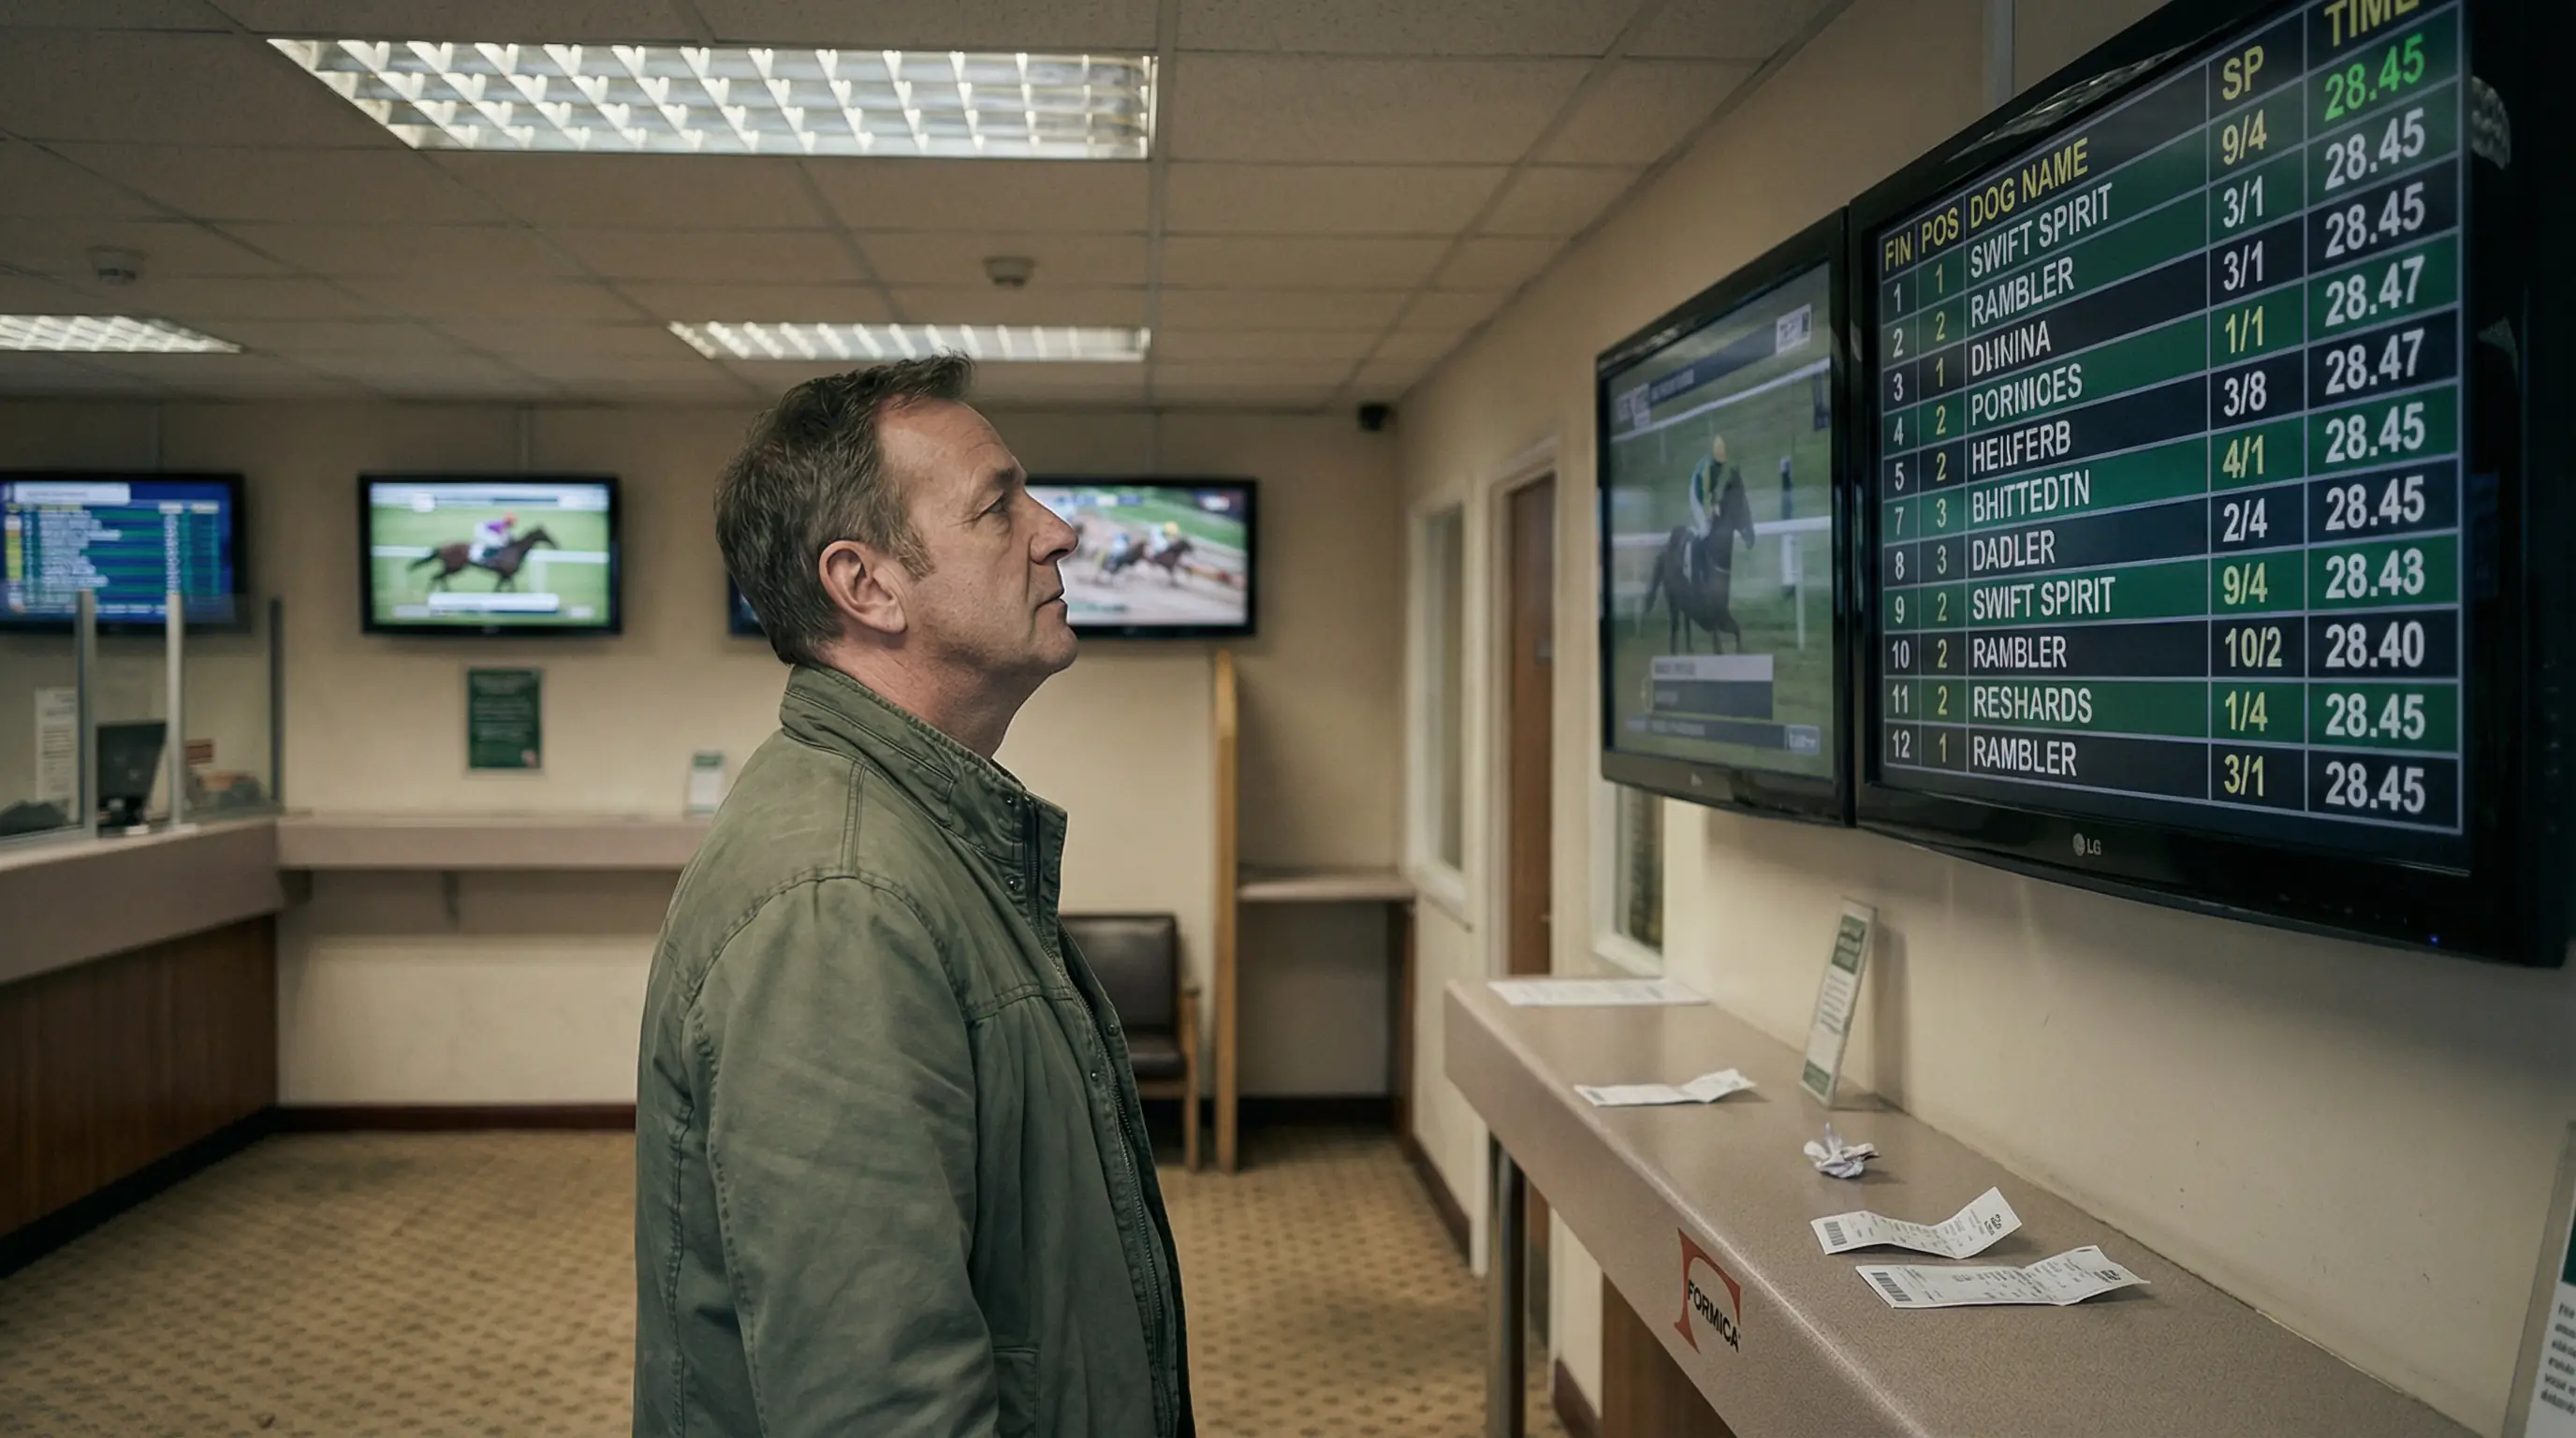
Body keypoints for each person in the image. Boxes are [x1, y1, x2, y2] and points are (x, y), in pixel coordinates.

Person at [634, 354, 1193, 1438]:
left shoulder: (912, 834)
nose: (1057, 531)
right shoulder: (837, 900)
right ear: (866, 585)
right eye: (998, 506)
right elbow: (876, 1399)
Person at [1684, 433, 1734, 588]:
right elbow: (1706, 494)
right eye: (1719, 463)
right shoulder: (1708, 467)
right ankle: (1693, 565)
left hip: (1705, 493)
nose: (1721, 466)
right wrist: (1712, 508)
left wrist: (1717, 503)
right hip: (1696, 494)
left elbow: (1714, 489)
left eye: (1722, 463)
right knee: (1705, 530)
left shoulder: (1716, 465)